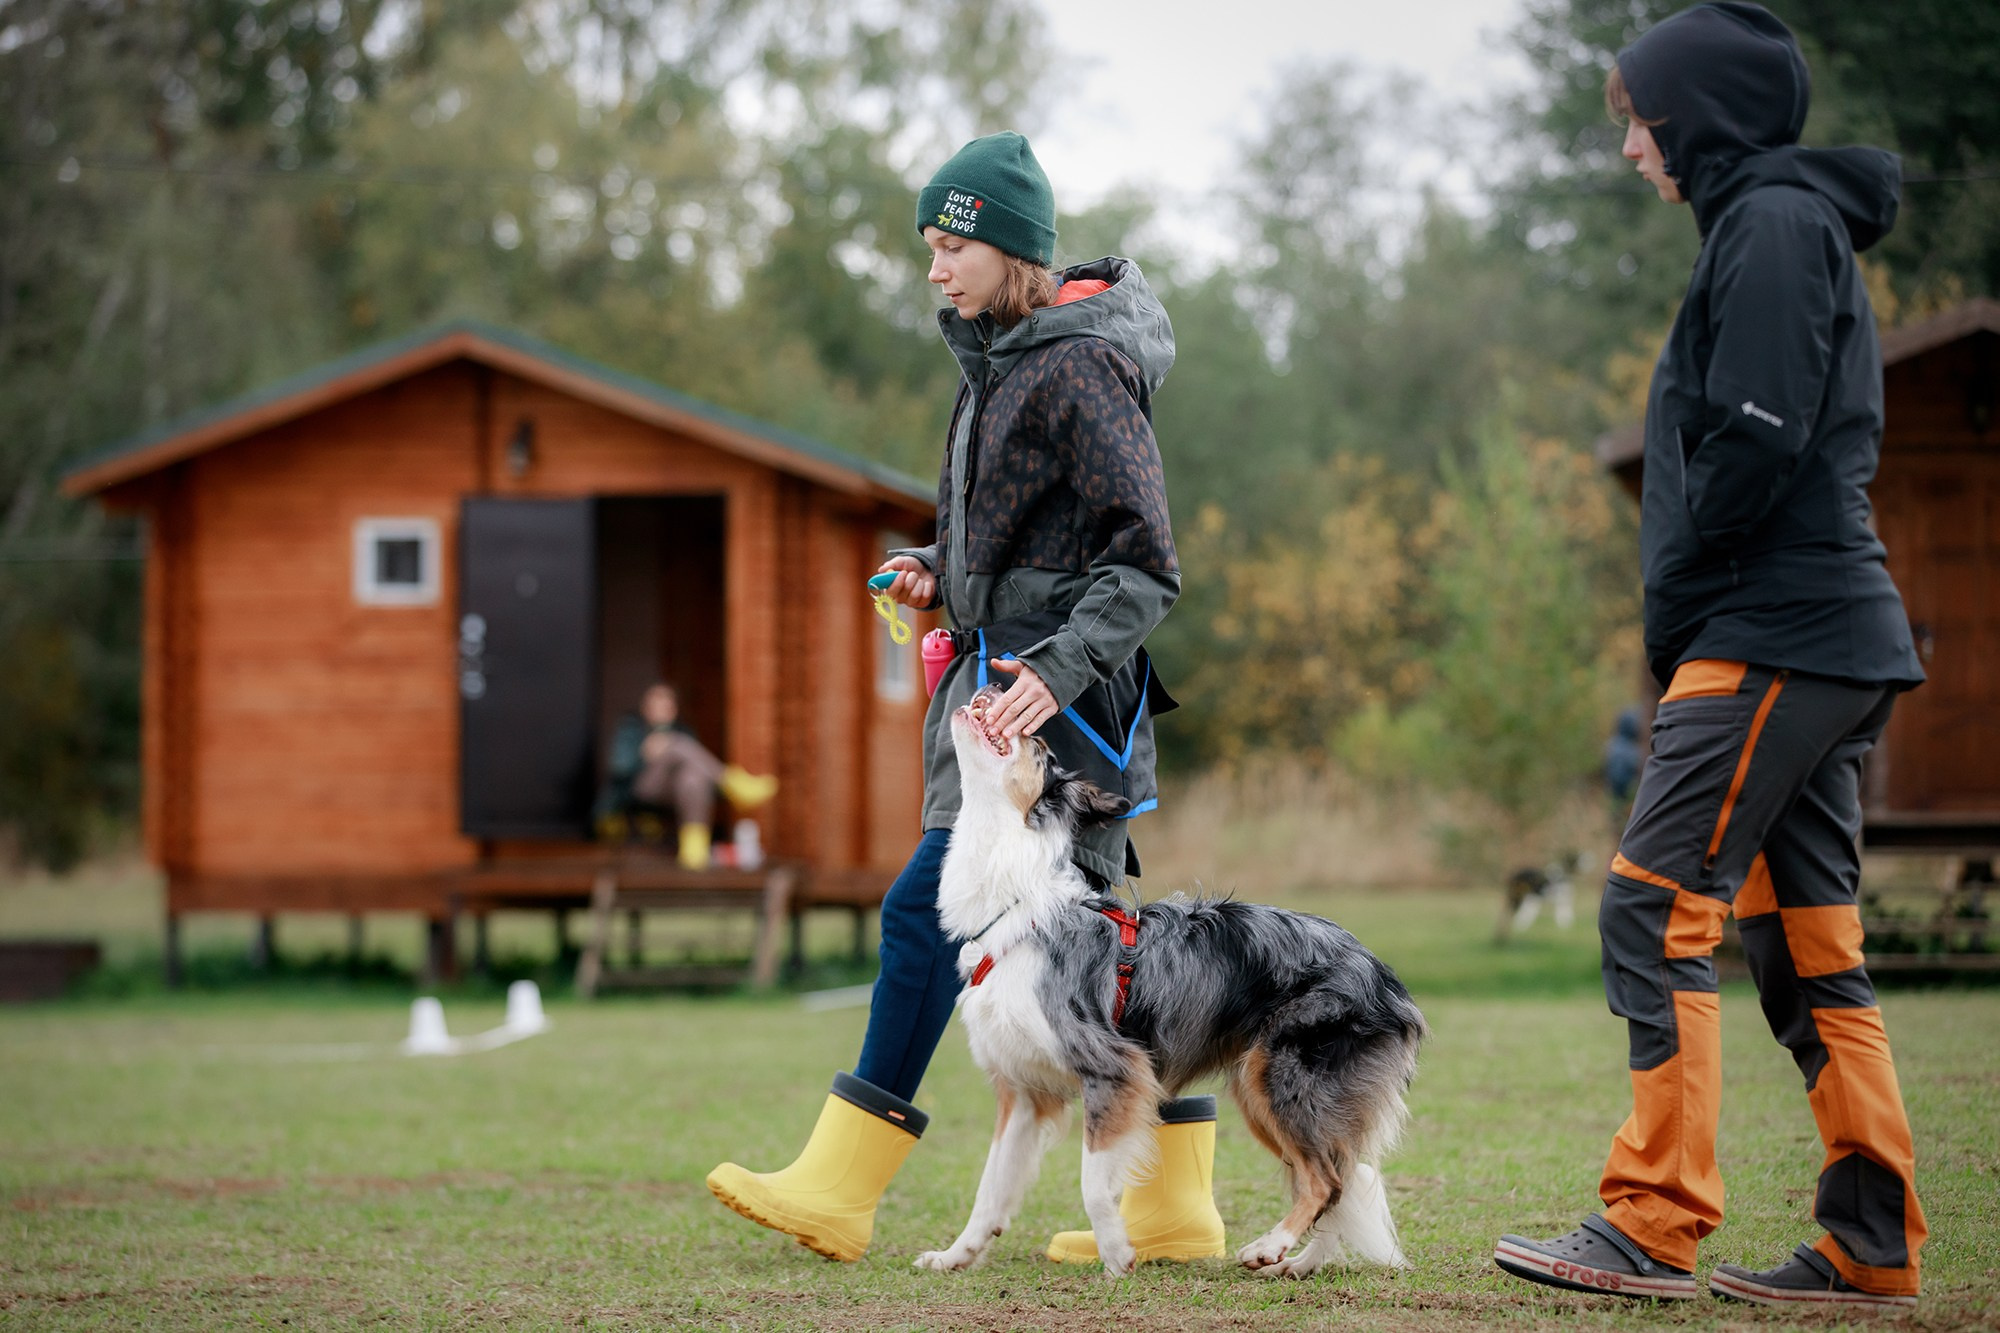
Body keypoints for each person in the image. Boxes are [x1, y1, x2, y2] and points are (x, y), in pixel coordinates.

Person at [705, 130, 1208, 1265]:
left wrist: (1050, 671)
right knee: (1103, 959)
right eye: (929, 244)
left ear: (1011, 251)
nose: (933, 266)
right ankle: (1175, 1209)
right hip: (994, 689)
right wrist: (938, 565)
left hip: (1052, 706)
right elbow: (1036, 531)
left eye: (951, 244)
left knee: (922, 918)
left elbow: (1142, 564)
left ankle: (841, 1185)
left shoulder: (1079, 365)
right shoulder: (998, 359)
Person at [1493, 3, 1928, 1310]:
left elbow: (1753, 438)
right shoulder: (1772, 225)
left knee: (1648, 898)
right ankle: (1871, 1239)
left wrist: (1677, 605)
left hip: (1775, 630)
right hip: (1811, 631)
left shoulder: (1776, 225)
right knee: (1803, 942)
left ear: (1695, 117)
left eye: (1638, 119)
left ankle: (1654, 1217)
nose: (1631, 148)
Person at [595, 682, 775, 869]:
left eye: (666, 706)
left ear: (673, 709)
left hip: (671, 789)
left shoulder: (683, 730)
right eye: (655, 705)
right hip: (640, 788)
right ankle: (732, 782)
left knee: (693, 777)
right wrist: (643, 752)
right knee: (679, 744)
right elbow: (618, 768)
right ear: (645, 708)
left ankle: (694, 848)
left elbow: (698, 768)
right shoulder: (631, 729)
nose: (661, 710)